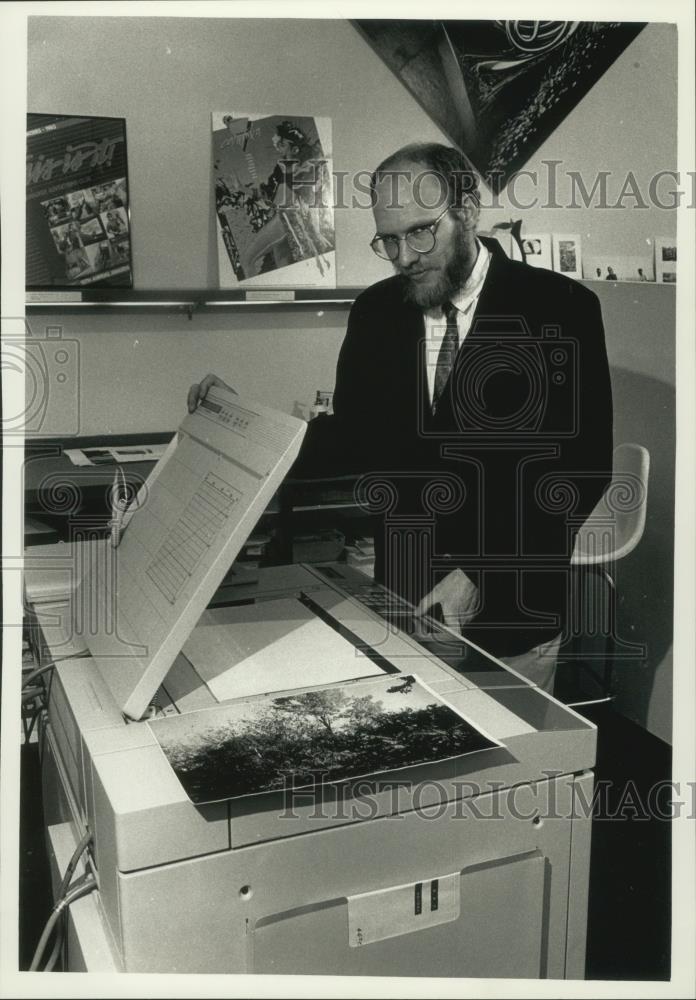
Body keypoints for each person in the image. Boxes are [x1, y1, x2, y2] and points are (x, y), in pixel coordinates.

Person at [188, 143, 613, 690]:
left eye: (419, 233)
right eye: (388, 240)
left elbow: (580, 470)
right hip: (406, 601)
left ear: (466, 211)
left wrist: (482, 574)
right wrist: (242, 423)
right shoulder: (377, 312)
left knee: (514, 768)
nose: (404, 258)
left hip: (516, 614)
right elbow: (351, 437)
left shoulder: (560, 308)